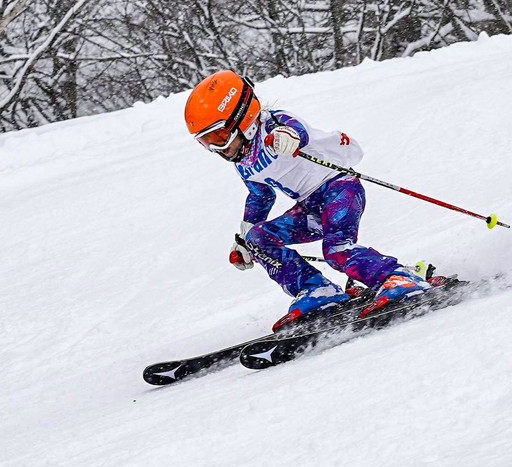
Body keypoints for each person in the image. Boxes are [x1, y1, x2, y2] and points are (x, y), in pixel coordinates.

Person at [184, 69, 432, 332]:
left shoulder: (274, 124)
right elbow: (260, 195)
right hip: (310, 206)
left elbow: (296, 130)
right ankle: (317, 290)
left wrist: (288, 138)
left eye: (219, 137)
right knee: (259, 238)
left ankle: (398, 278)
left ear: (243, 119)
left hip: (339, 188)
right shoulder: (244, 161)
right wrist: (245, 239)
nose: (216, 148)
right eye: (206, 142)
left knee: (336, 250)